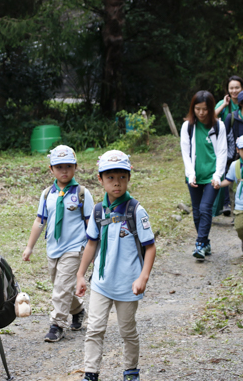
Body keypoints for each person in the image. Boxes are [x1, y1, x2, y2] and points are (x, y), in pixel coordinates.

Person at [75, 150, 156, 381]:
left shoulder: (135, 210)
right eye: (110, 178)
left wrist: (143, 277)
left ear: (129, 178)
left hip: (128, 284)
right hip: (101, 283)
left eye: (122, 177)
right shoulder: (98, 210)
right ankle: (91, 372)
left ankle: (131, 370)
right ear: (100, 180)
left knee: (127, 330)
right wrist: (81, 275)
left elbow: (150, 247)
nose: (116, 183)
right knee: (94, 328)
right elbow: (91, 243)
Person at [22, 145, 94, 342]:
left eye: (68, 166)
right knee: (61, 285)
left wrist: (94, 249)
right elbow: (39, 222)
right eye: (59, 167)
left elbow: (91, 223)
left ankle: (57, 325)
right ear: (51, 169)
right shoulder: (47, 195)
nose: (64, 171)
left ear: (75, 167)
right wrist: (29, 247)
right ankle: (78, 310)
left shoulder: (82, 193)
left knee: (61, 287)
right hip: (53, 249)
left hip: (74, 249)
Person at [180, 91, 227, 260]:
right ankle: (205, 243)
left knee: (205, 208)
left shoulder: (218, 126)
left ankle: (199, 243)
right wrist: (190, 174)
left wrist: (218, 175)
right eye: (197, 109)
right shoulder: (188, 126)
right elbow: (186, 153)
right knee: (197, 211)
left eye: (205, 109)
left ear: (211, 109)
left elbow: (222, 152)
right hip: (194, 175)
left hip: (211, 176)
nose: (201, 113)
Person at [215, 75, 243, 215]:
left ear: (242, 88)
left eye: (237, 87)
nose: (234, 91)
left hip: (242, 142)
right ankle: (226, 203)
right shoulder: (224, 102)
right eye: (231, 88)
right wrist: (224, 105)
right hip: (225, 143)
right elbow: (211, 116)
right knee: (225, 172)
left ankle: (240, 205)